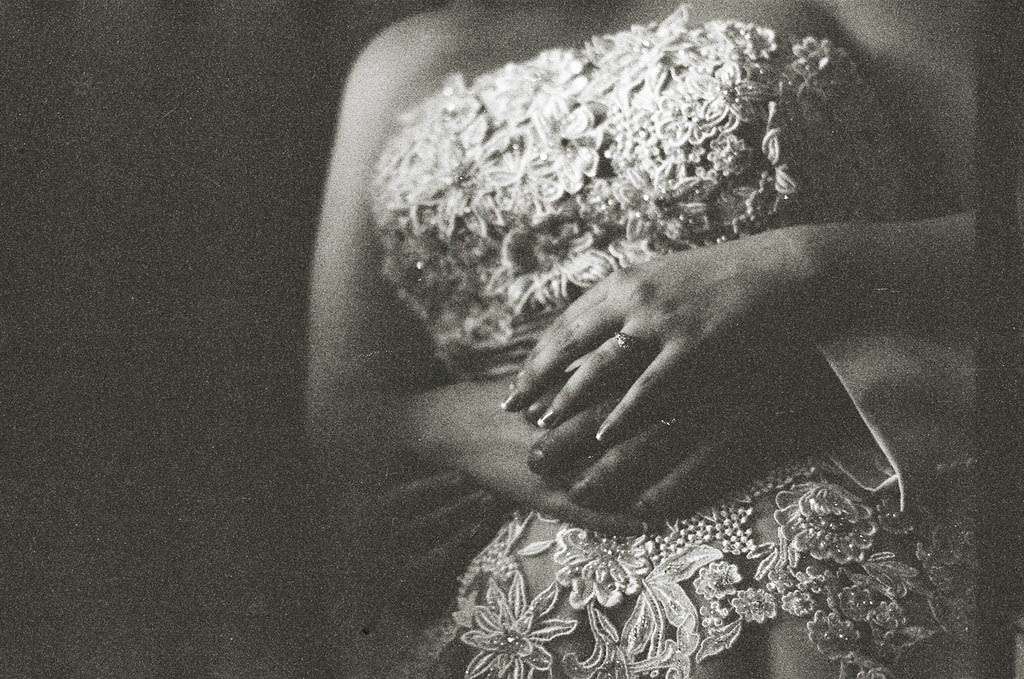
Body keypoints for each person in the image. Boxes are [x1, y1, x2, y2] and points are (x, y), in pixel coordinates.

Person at [308, 1, 978, 676]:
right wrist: (445, 422)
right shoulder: (399, 66)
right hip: (521, 612)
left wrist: (795, 266)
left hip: (836, 539)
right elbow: (340, 411)